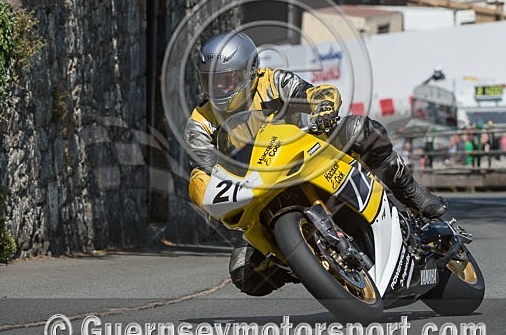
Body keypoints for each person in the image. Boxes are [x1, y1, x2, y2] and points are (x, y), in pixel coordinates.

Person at [184, 32, 448, 296]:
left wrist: (323, 107)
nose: (220, 89)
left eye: (229, 79)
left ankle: (410, 192)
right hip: (257, 187)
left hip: (307, 149)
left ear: (252, 71)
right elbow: (203, 166)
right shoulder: (201, 121)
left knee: (360, 129)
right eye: (211, 81)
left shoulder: (273, 82)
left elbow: (313, 92)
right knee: (244, 273)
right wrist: (205, 195)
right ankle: (306, 264)